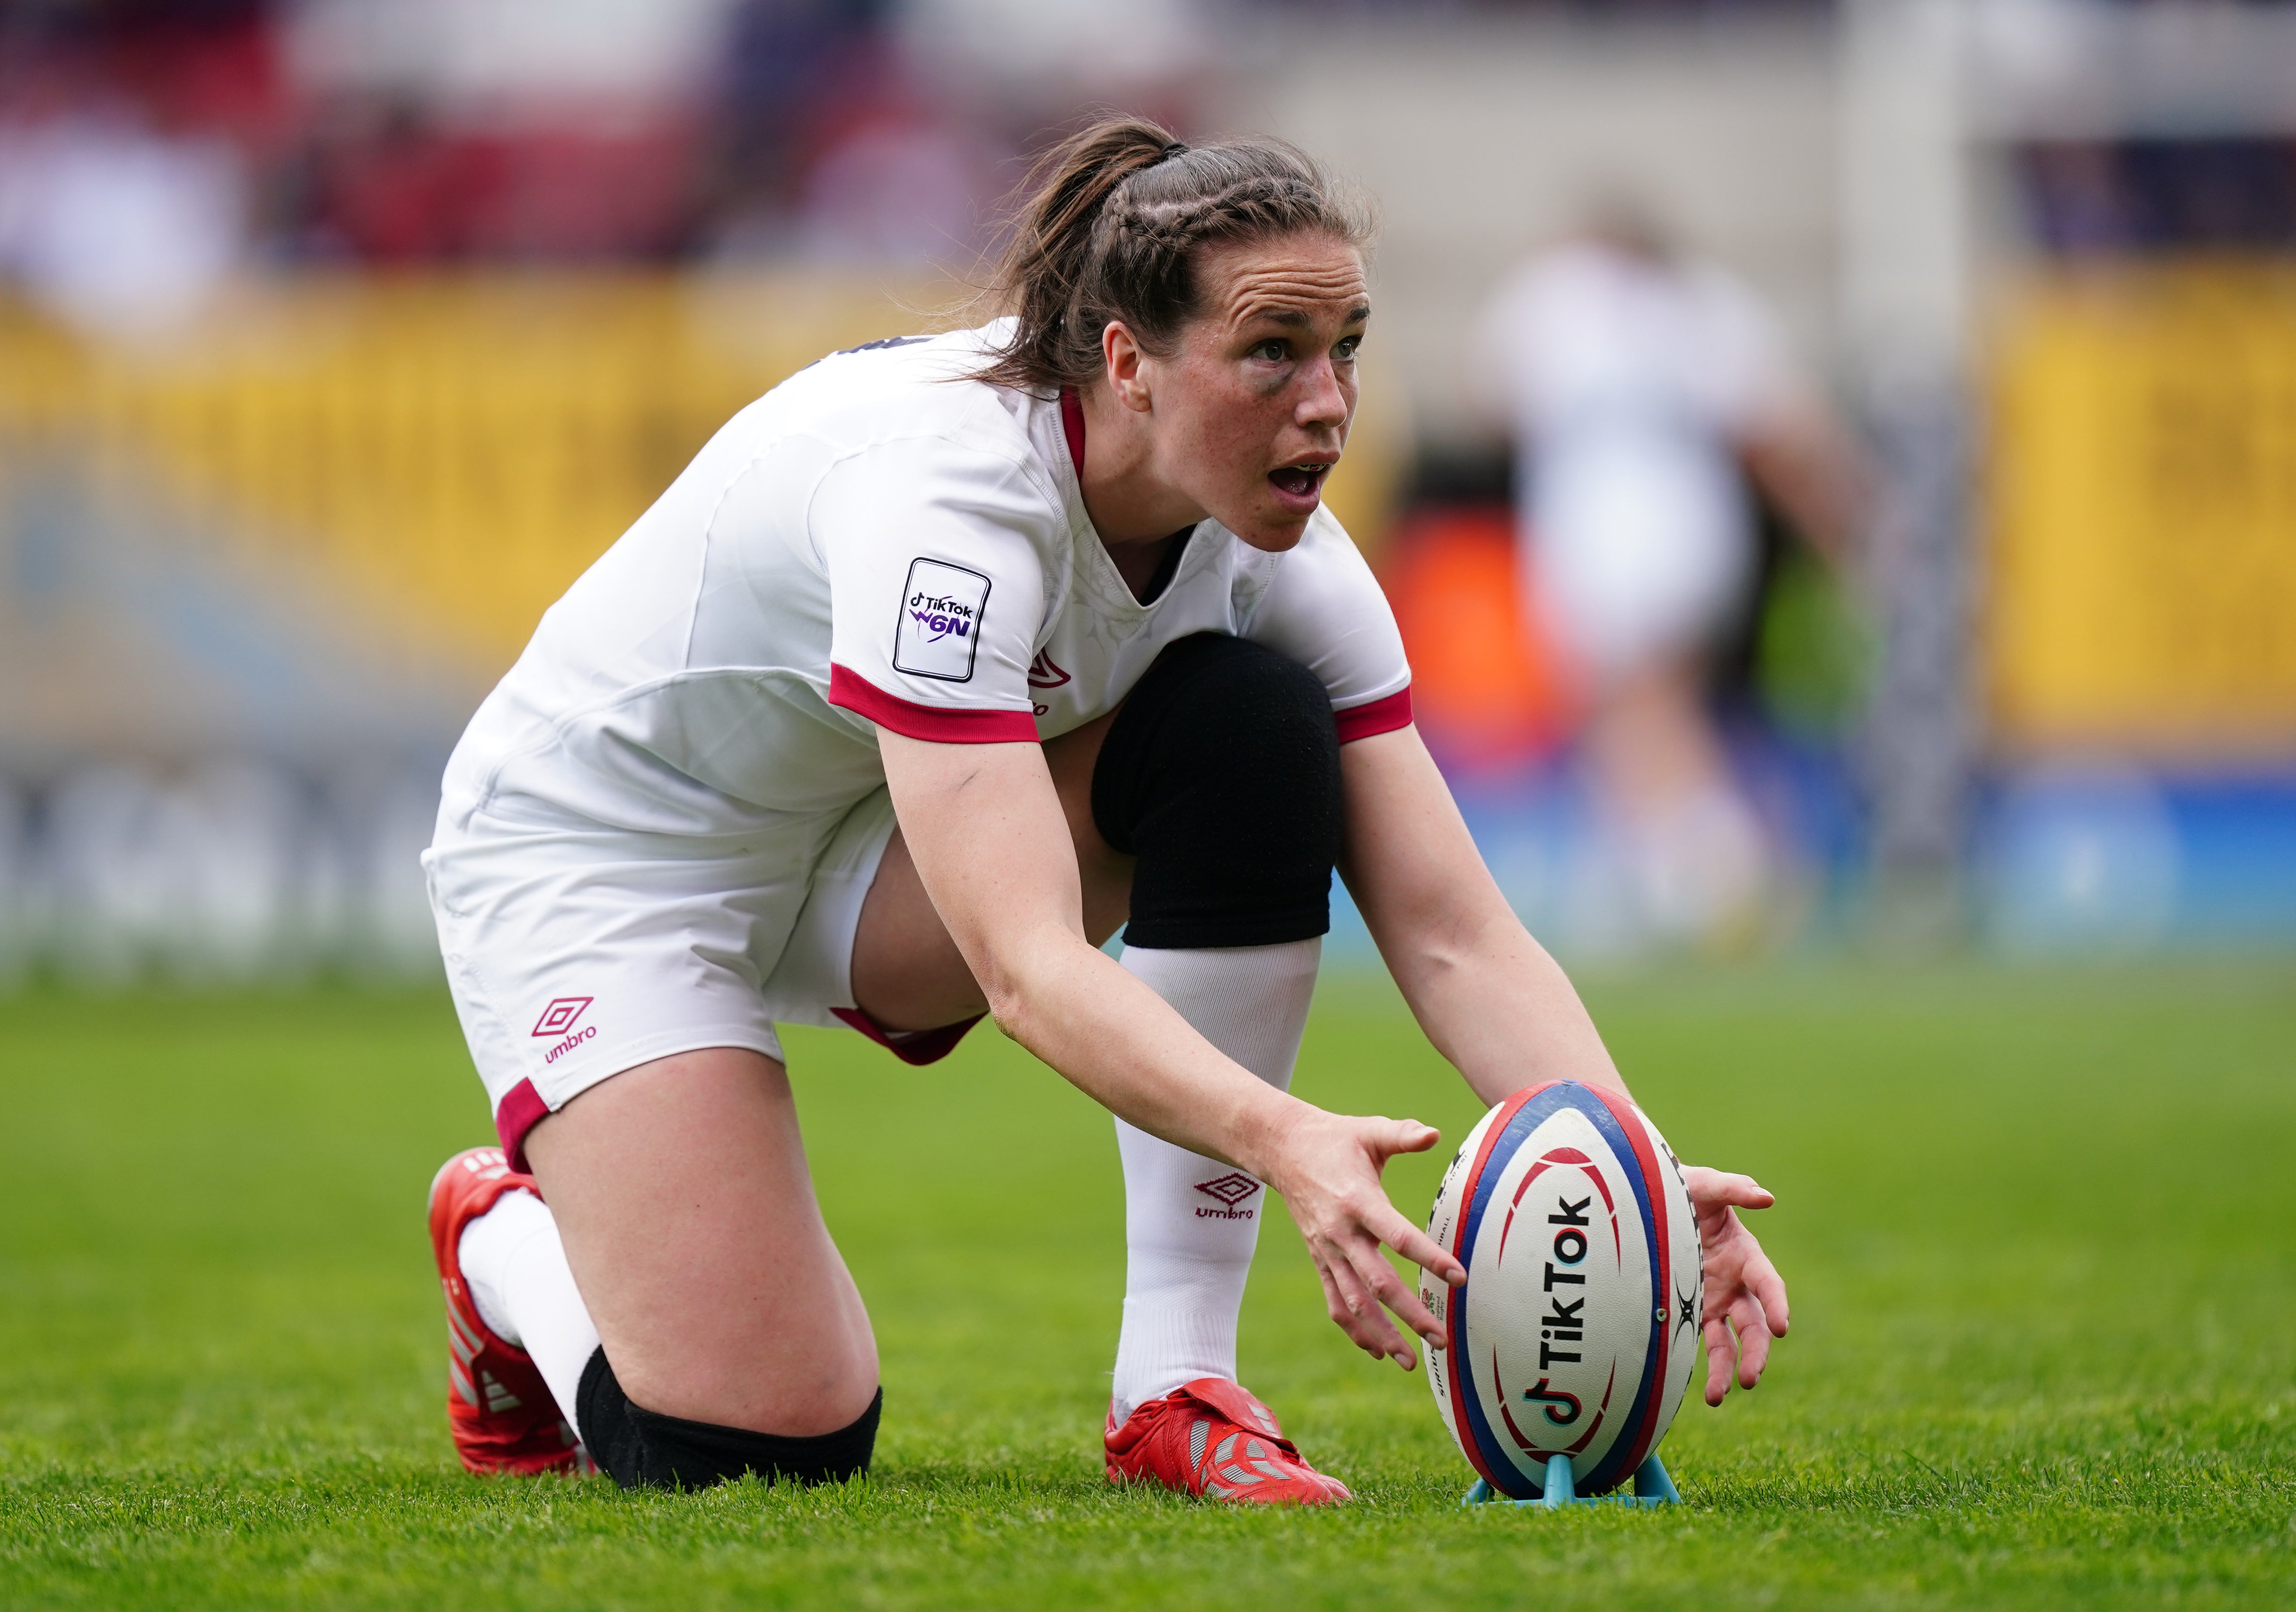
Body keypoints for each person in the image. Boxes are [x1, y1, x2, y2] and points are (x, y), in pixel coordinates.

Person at [423, 119, 1788, 1505]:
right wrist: (1280, 1132)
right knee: (756, 1447)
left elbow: (1454, 934)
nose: (1327, 402)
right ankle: (501, 1240)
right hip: (606, 859)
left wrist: (1647, 1175)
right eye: (1273, 351)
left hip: (867, 849)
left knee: (1250, 725)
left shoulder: (1289, 554)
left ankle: (1177, 1389)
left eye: (1348, 347)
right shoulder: (949, 506)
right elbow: (1026, 968)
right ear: (1128, 363)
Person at [1471, 199, 1866, 948]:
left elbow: (1486, 403)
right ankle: (1654, 873)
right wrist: (1841, 528)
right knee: (1658, 703)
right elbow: (1788, 427)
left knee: (1630, 707)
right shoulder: (1702, 301)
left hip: (1601, 523)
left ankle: (1719, 874)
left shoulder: (1553, 292)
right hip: (1696, 522)